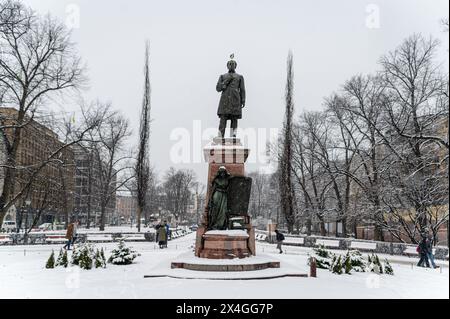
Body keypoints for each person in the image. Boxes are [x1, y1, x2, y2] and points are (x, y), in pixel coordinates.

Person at [216, 58, 246, 138]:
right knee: (223, 118)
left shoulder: (240, 77)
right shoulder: (222, 76)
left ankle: (233, 136)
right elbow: (218, 88)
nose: (231, 65)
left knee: (234, 118)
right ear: (227, 66)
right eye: (230, 64)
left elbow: (242, 89)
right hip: (225, 100)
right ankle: (220, 136)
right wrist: (225, 82)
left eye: (233, 64)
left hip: (235, 99)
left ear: (235, 66)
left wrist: (243, 100)